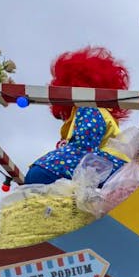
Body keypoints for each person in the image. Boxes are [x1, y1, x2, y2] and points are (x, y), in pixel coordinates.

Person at [23, 46, 130, 185]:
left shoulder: (89, 106)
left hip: (111, 170)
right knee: (41, 171)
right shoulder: (91, 110)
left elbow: (85, 144)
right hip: (113, 171)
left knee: (40, 172)